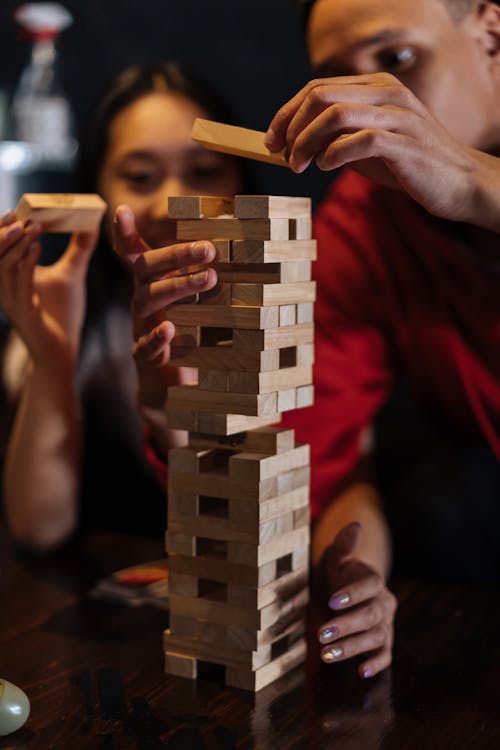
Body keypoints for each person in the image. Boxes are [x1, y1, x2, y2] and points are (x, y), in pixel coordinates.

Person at [122, 0, 500, 681]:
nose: (368, 106)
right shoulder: (365, 222)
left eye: (397, 60)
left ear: (491, 32)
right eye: (335, 78)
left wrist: (472, 181)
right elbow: (314, 455)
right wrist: (352, 574)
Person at [0, 62, 247, 550]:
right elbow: (39, 528)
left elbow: (245, 529)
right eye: (139, 177)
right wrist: (53, 358)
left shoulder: (291, 310)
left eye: (203, 172)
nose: (173, 203)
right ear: (99, 192)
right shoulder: (81, 310)